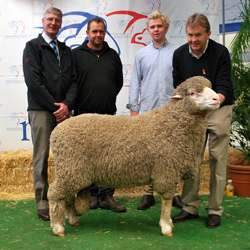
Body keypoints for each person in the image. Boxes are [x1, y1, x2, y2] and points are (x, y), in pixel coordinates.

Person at [171, 13, 235, 228]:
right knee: (192, 160)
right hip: (193, 113)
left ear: (208, 33)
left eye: (198, 35)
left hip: (219, 108)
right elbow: (178, 86)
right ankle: (189, 206)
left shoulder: (221, 53)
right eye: (190, 35)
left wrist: (212, 104)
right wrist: (193, 108)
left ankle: (215, 209)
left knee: (217, 158)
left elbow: (225, 85)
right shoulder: (179, 55)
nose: (193, 40)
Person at [23, 7, 78, 221]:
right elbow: (33, 81)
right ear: (43, 21)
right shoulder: (32, 47)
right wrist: (55, 107)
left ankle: (64, 198)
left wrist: (66, 105)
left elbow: (74, 80)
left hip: (64, 111)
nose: (54, 23)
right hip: (41, 110)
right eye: (50, 19)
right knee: (42, 157)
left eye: (57, 20)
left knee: (68, 157)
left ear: (61, 23)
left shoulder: (65, 50)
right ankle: (43, 201)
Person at [126, 11, 183, 210]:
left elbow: (183, 83)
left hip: (172, 112)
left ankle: (174, 193)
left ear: (166, 28)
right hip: (148, 111)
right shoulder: (142, 54)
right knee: (148, 153)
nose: (156, 29)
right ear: (148, 30)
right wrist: (134, 109)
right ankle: (147, 195)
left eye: (159, 26)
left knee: (172, 153)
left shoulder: (178, 52)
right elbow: (134, 83)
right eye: (152, 27)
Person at [72, 17, 126, 213]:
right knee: (86, 158)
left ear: (105, 33)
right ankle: (90, 196)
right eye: (94, 31)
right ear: (87, 33)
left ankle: (107, 197)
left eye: (101, 31)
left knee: (109, 158)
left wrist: (106, 95)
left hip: (107, 116)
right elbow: (71, 83)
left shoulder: (113, 56)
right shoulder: (75, 55)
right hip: (83, 117)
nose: (98, 35)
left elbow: (118, 83)